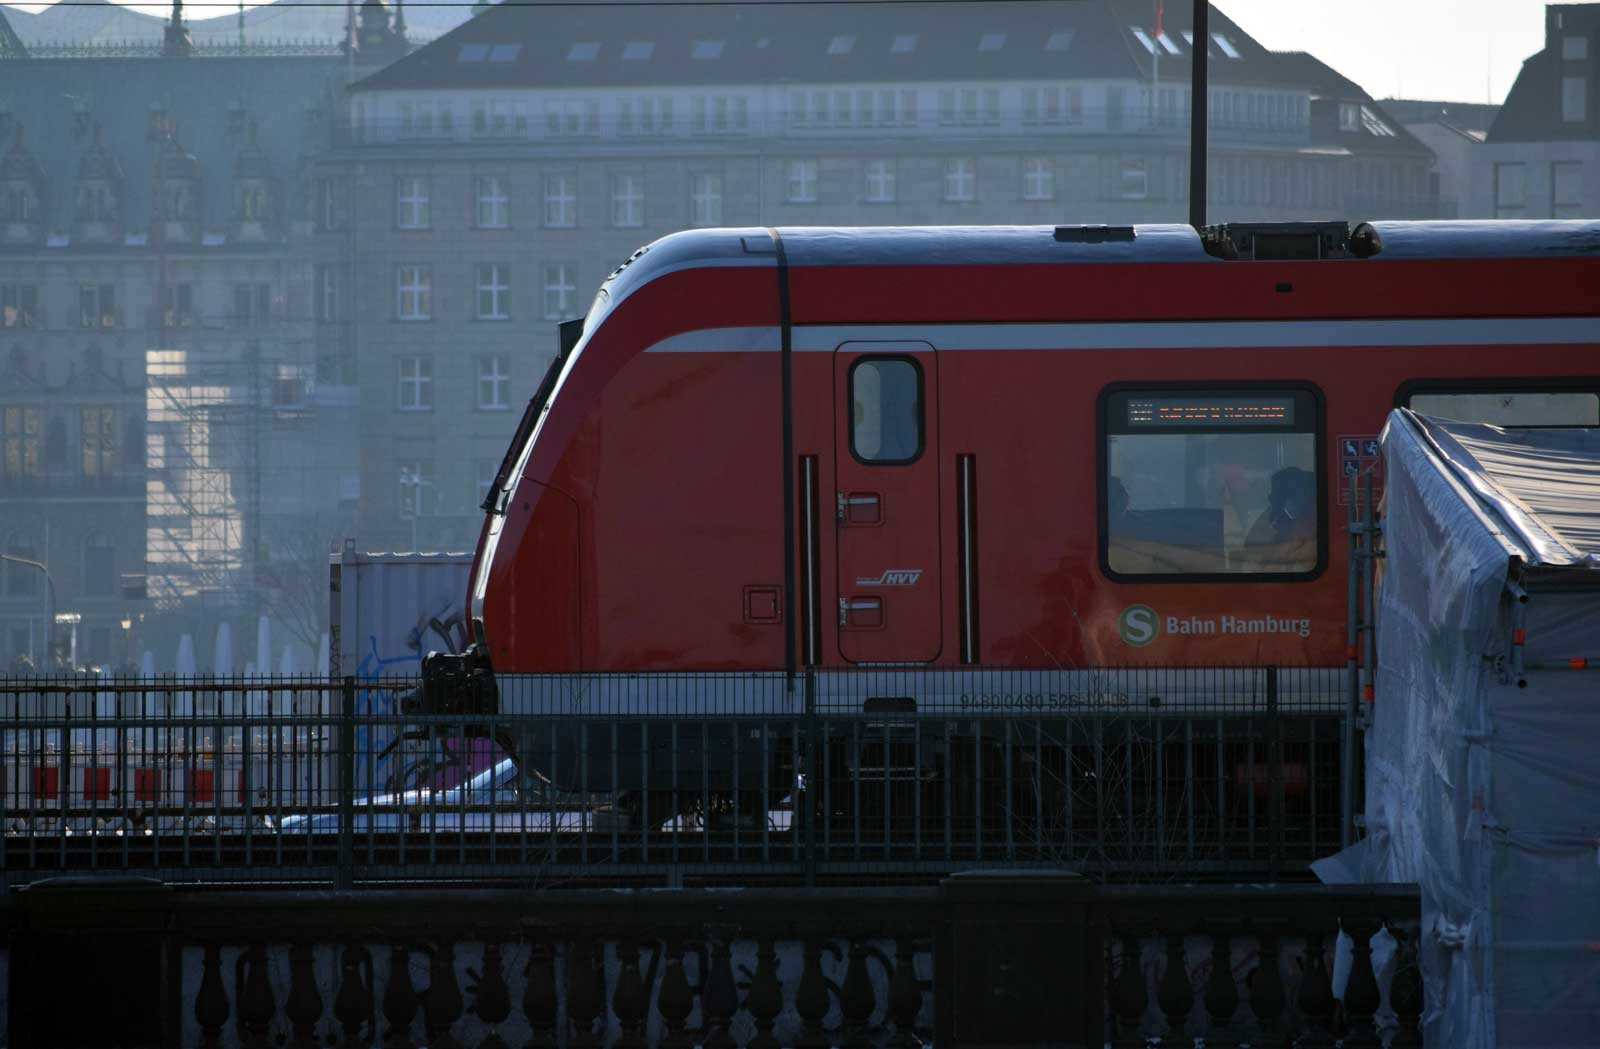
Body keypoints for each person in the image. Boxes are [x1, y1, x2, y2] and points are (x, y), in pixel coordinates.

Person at [1242, 467, 1317, 571]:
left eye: (1275, 492)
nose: (1270, 496)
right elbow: (1252, 548)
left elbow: (1299, 556)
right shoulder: (1275, 514)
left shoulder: (1311, 521)